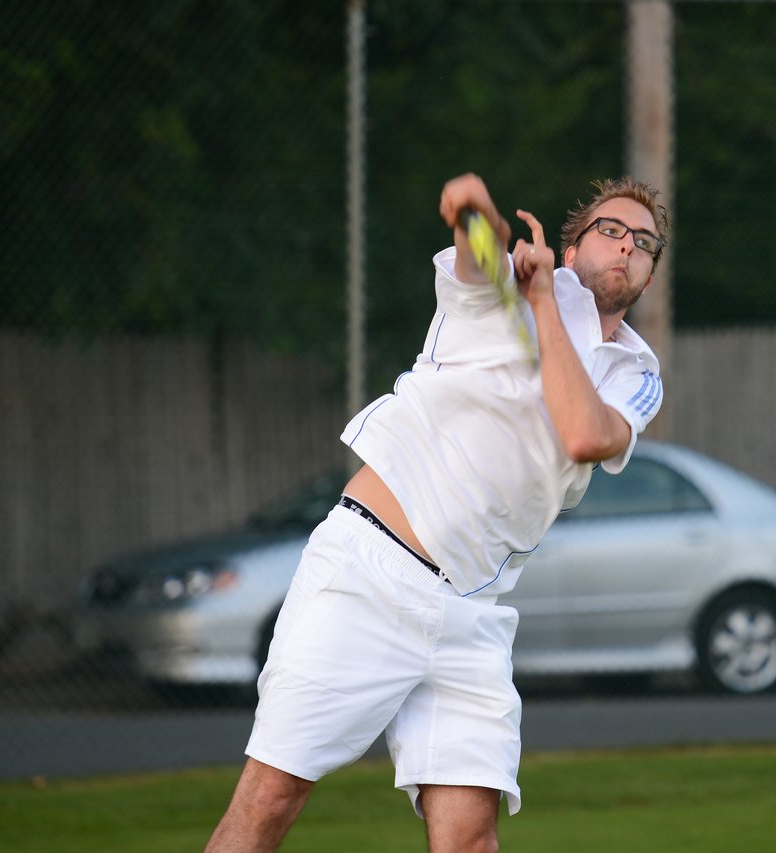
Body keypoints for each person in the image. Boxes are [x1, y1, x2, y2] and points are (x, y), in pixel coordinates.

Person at [206, 172, 669, 852]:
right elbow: (481, 247)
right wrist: (473, 212)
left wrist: (542, 299)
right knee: (272, 797)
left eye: (646, 243)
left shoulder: (636, 371)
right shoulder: (501, 290)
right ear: (572, 248)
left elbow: (584, 433)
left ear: (651, 272)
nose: (628, 246)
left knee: (470, 841)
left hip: (472, 612)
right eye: (612, 229)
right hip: (369, 571)